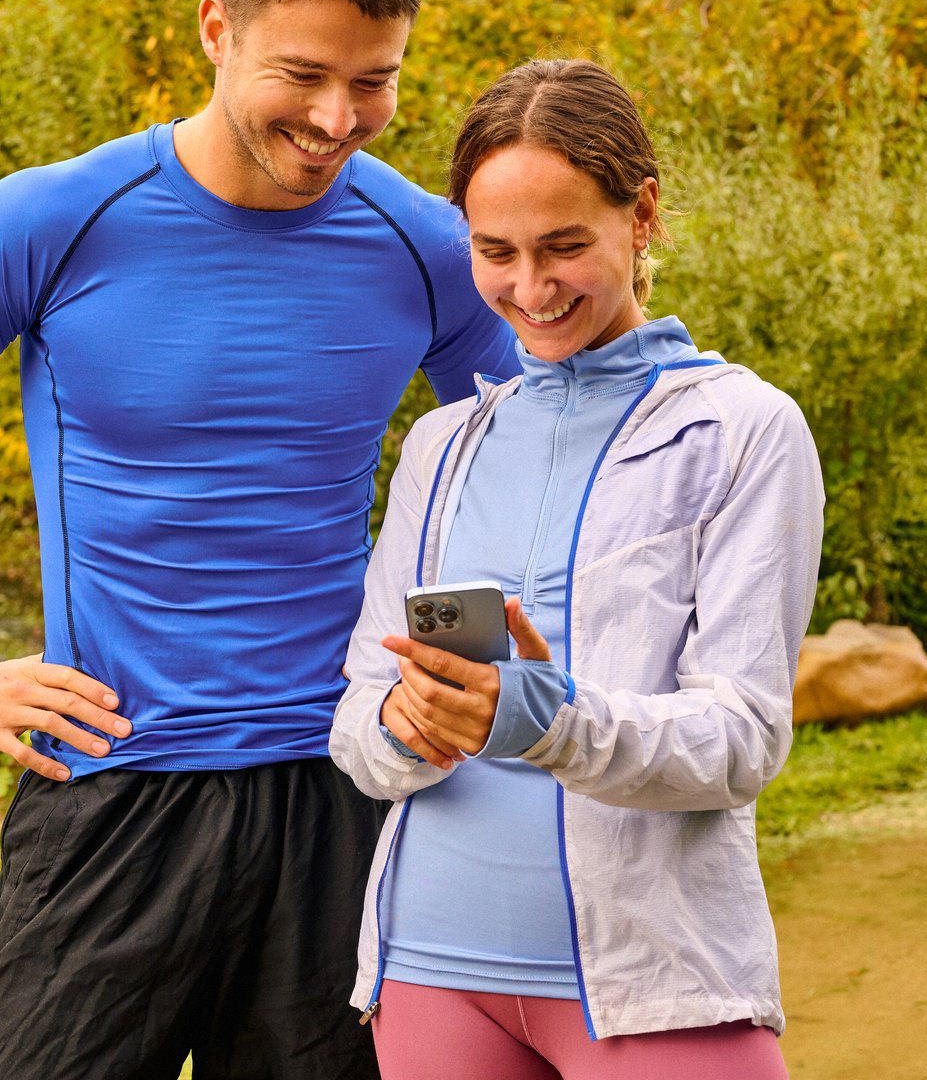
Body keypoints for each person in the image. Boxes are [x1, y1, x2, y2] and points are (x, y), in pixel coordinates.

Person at [0, 0, 518, 1080]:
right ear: (215, 28)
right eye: (302, 73)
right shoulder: (53, 217)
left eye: (375, 80)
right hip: (113, 791)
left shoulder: (428, 245)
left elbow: (515, 458)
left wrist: (473, 669)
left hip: (341, 786)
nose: (338, 118)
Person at [329, 59, 823, 1080]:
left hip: (655, 974)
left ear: (641, 215)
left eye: (564, 246)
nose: (530, 288)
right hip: (430, 970)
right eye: (494, 251)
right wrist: (406, 726)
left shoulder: (739, 429)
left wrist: (544, 718)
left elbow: (742, 736)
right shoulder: (442, 443)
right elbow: (359, 720)